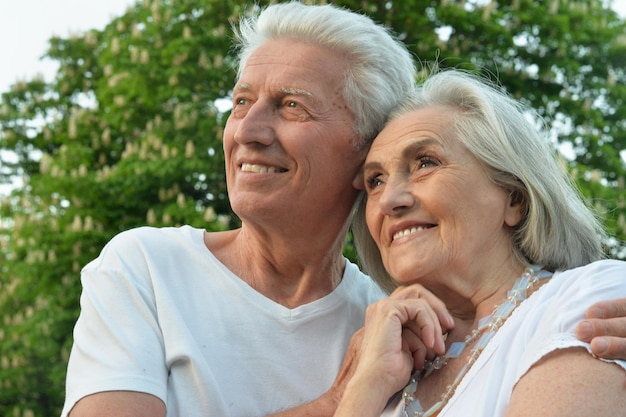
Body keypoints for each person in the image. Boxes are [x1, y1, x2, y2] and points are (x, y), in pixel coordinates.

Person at [61, 3, 626, 417]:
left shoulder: (403, 328)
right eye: (239, 102)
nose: (248, 132)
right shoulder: (146, 266)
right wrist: (343, 398)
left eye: (290, 105)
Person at [335, 69, 626, 417]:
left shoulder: (587, 298)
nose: (388, 201)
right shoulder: (385, 368)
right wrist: (363, 390)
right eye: (375, 180)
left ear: (514, 199)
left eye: (426, 162)